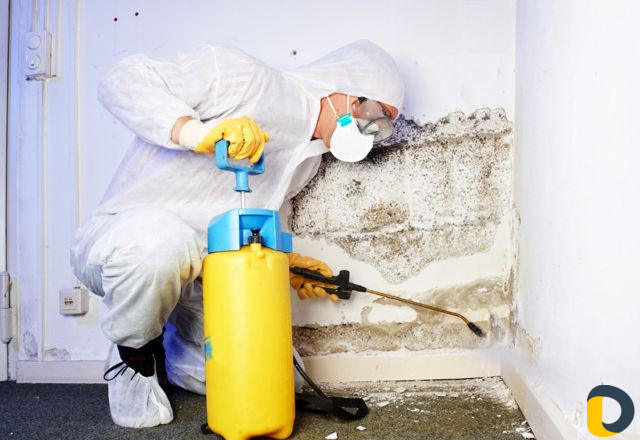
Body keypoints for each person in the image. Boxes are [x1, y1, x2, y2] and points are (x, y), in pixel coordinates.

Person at [70, 40, 404, 428]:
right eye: (375, 115)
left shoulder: (305, 160)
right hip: (127, 245)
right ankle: (134, 355)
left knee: (275, 380)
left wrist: (287, 265)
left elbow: (252, 220)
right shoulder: (241, 78)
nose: (371, 131)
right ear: (346, 85)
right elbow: (120, 80)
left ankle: (174, 346)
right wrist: (195, 133)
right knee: (161, 245)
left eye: (384, 127)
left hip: (207, 273)